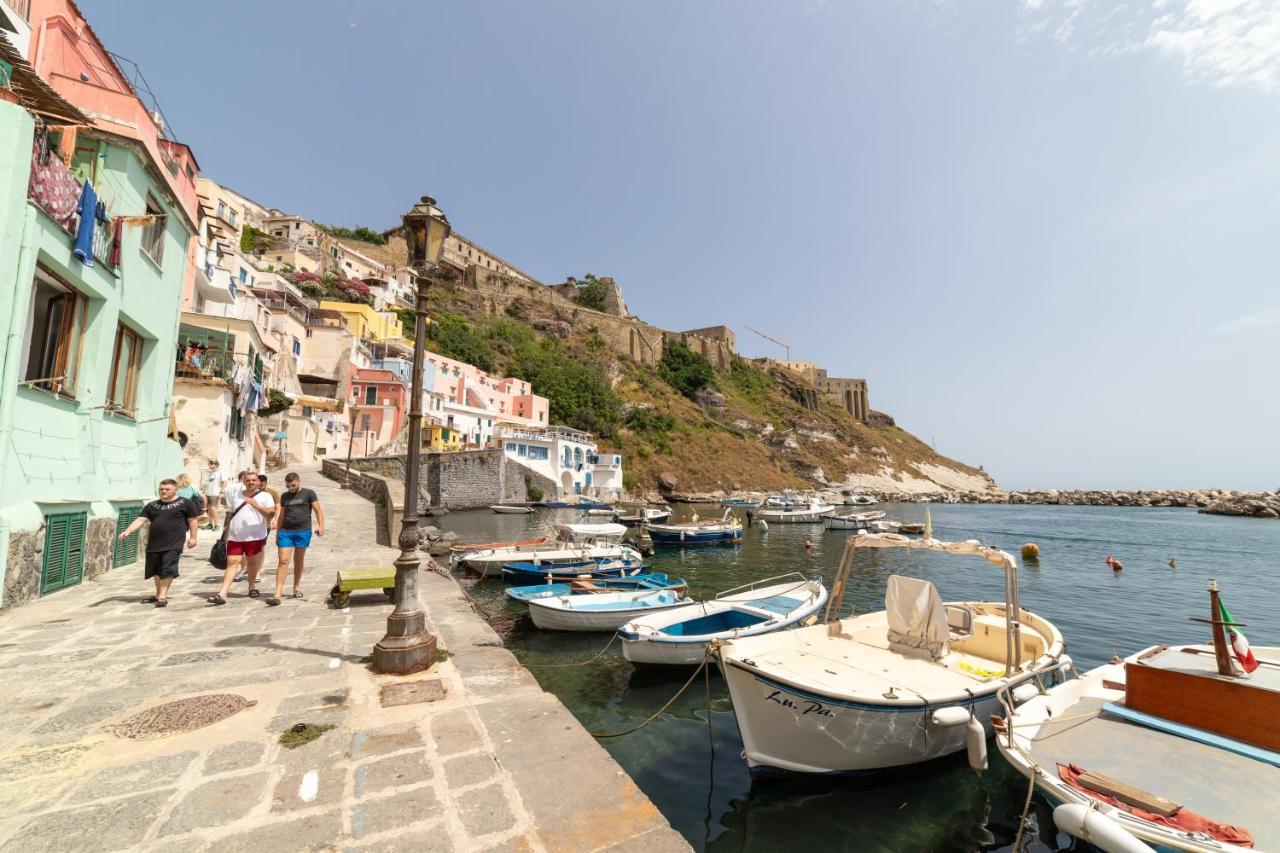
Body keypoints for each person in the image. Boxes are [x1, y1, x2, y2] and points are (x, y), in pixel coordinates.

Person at [117, 478, 199, 607]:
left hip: (174, 542)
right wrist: (127, 531)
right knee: (156, 570)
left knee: (167, 568)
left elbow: (192, 521)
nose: (163, 491)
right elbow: (140, 520)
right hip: (155, 542)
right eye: (161, 489)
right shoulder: (152, 505)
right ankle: (158, 594)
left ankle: (162, 595)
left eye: (167, 489)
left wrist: (193, 537)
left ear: (175, 489)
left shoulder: (185, 503)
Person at [209, 472, 275, 605]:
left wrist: (256, 505)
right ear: (244, 481)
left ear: (258, 482)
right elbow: (230, 514)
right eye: (248, 480)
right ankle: (223, 593)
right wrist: (226, 529)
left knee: (252, 562)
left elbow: (270, 514)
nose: (251, 482)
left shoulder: (265, 496)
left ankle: (251, 587)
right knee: (232, 562)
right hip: (236, 535)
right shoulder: (236, 495)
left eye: (253, 480)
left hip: (255, 536)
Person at [268, 472, 325, 605]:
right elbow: (281, 515)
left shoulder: (309, 493)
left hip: (303, 531)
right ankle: (278, 593)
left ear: (299, 482)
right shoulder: (284, 496)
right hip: (286, 532)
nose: (290, 488)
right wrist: (277, 533)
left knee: (298, 559)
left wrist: (321, 526)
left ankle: (296, 587)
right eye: (288, 486)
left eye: (293, 485)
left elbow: (318, 510)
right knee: (283, 560)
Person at [200, 460, 226, 529]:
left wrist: (222, 492)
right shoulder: (210, 473)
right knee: (209, 508)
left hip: (215, 493)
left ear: (216, 465)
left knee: (213, 508)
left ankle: (217, 525)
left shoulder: (221, 472)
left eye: (211, 464)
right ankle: (210, 524)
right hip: (208, 492)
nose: (209, 465)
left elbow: (225, 482)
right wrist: (202, 489)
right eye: (209, 464)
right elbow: (207, 483)